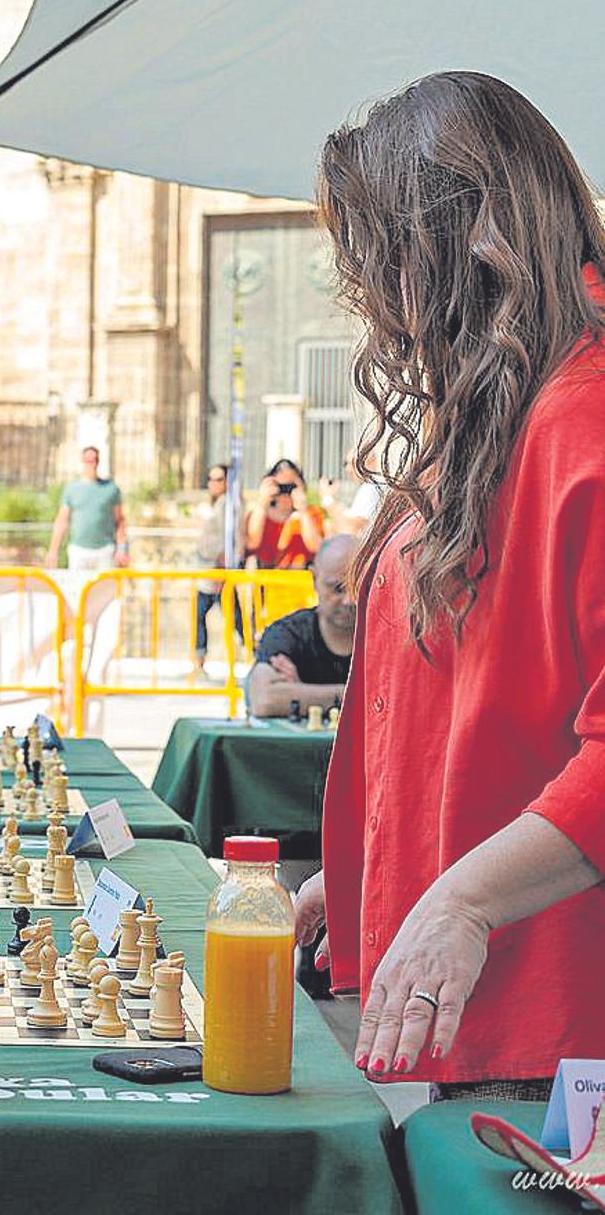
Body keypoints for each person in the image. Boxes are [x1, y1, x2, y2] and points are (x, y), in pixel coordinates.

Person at [293, 71, 605, 1102]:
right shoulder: (505, 401)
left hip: (555, 1029)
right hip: (480, 1011)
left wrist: (462, 900)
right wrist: (373, 868)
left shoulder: (583, 415)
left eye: (381, 258)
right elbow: (467, 695)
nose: (371, 300)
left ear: (463, 238)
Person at [246, 536, 355, 717]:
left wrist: (301, 692)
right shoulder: (286, 634)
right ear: (314, 578)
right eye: (338, 588)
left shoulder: (389, 638)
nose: (349, 600)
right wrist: (362, 697)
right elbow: (264, 699)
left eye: (359, 587)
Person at [45, 446, 130, 571]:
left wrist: (122, 548)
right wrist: (53, 551)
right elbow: (62, 521)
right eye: (88, 461)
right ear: (83, 462)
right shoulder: (72, 489)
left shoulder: (111, 489)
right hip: (79, 551)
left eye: (94, 460)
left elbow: (120, 521)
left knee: (105, 590)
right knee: (77, 590)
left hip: (105, 551)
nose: (92, 464)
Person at [193, 464, 241, 666]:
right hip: (206, 567)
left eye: (219, 479)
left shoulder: (228, 505)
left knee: (232, 614)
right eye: (211, 479)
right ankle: (199, 658)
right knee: (203, 614)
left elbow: (229, 538)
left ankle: (252, 652)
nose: (214, 484)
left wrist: (223, 567)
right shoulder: (215, 504)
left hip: (218, 568)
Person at [245, 458, 325, 569]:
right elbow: (252, 543)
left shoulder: (311, 513)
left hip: (297, 577)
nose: (286, 492)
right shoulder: (259, 514)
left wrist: (303, 510)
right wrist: (263, 501)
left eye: (291, 486)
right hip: (264, 578)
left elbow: (316, 547)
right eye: (281, 486)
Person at [320, 448, 385, 537]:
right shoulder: (370, 486)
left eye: (354, 463)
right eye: (346, 464)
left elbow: (350, 529)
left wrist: (328, 499)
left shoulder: (371, 487)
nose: (348, 469)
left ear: (371, 462)